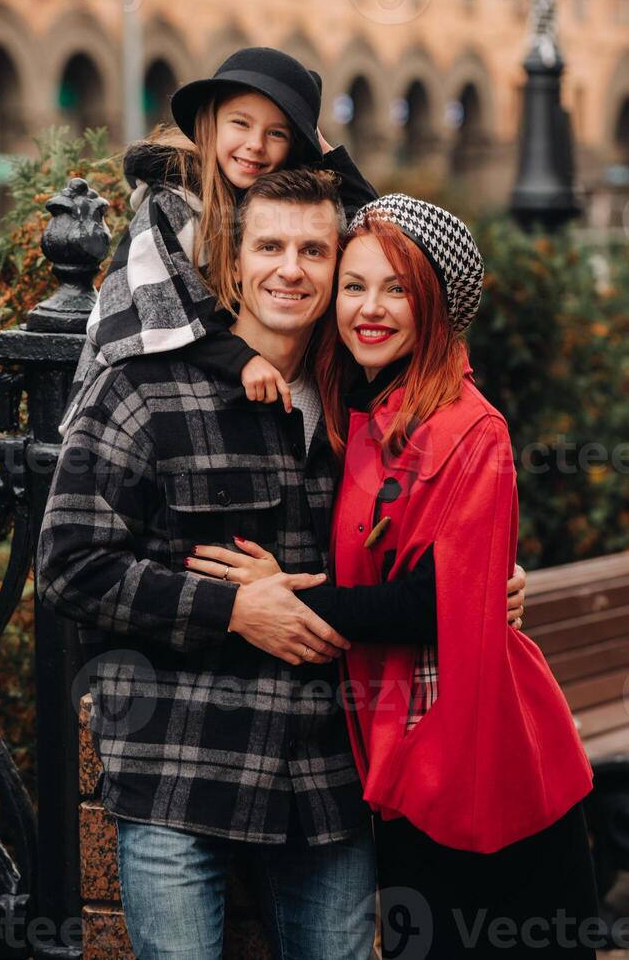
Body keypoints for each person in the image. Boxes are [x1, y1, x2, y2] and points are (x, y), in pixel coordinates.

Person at [37, 170, 525, 960]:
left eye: (313, 250)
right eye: (269, 246)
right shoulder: (144, 388)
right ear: (233, 263)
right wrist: (230, 608)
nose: (290, 269)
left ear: (338, 265)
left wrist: (487, 581)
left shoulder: (363, 402)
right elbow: (70, 565)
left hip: (325, 785)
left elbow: (432, 534)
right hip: (180, 774)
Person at [190, 193, 597, 959]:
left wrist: (289, 597)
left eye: (398, 289)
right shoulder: (363, 412)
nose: (369, 309)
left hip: (484, 764)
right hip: (408, 754)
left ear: (435, 306)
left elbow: (434, 599)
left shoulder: (469, 428)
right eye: (354, 284)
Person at [60, 46, 377, 437]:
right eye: (240, 124)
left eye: (276, 133)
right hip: (139, 413)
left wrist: (327, 155)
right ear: (211, 123)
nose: (255, 144)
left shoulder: (274, 209)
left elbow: (374, 232)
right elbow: (159, 307)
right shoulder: (172, 201)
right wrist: (240, 360)